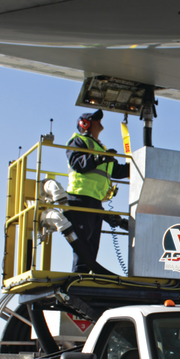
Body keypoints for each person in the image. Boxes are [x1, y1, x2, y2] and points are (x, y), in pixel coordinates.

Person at [65, 109, 130, 273]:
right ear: (85, 124)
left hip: (94, 201)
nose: (100, 121)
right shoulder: (78, 141)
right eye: (95, 119)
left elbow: (115, 171)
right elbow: (77, 163)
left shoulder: (100, 148)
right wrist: (99, 158)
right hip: (80, 198)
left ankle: (85, 276)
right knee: (83, 246)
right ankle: (79, 278)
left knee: (92, 246)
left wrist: (135, 166)